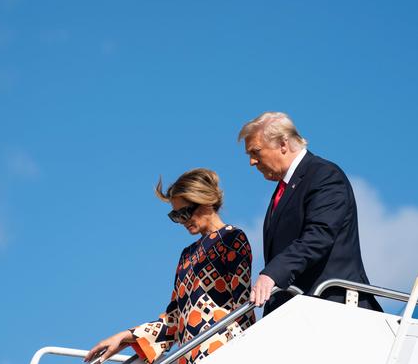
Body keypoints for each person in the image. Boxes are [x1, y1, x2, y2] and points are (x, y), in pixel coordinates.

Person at [84, 169, 255, 364]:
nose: (182, 221)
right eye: (176, 215)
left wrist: (249, 350)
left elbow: (243, 306)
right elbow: (174, 319)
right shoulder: (187, 255)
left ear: (206, 201)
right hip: (189, 355)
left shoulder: (231, 238)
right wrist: (125, 336)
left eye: (185, 212)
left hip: (224, 351)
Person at [238, 111, 382, 315]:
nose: (252, 161)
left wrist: (272, 274)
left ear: (283, 144)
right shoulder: (286, 188)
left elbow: (318, 237)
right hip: (298, 313)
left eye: (256, 151)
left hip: (334, 310)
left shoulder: (324, 175)